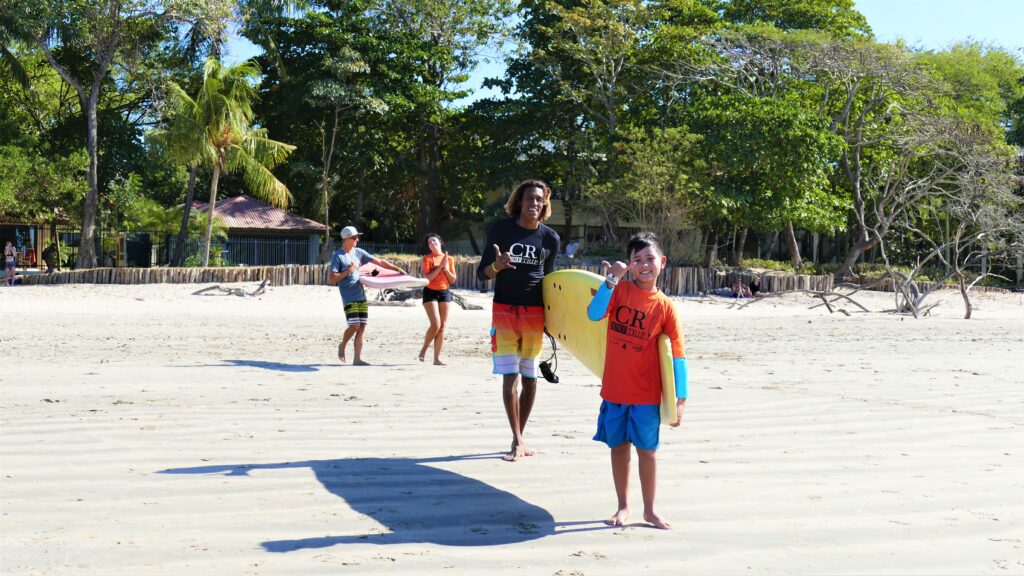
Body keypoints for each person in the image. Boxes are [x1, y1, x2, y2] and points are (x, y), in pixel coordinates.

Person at [586, 231, 688, 530]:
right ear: (629, 264)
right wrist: (610, 280)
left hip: (646, 394)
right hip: (615, 390)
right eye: (637, 260)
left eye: (650, 259)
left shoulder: (665, 306)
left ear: (662, 262)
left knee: (648, 451)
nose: (644, 265)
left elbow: (677, 354)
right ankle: (623, 505)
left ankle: (650, 510)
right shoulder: (618, 291)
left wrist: (680, 398)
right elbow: (593, 314)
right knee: (618, 447)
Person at [476, 179, 560, 462]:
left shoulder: (550, 238)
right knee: (510, 377)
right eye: (529, 198)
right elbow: (482, 274)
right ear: (519, 202)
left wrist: (553, 321)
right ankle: (517, 439)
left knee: (531, 378)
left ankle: (519, 437)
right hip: (505, 312)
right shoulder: (501, 230)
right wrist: (497, 266)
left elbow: (549, 281)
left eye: (539, 199)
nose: (534, 203)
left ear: (544, 204)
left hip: (535, 314)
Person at [327, 225, 405, 366]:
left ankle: (357, 359)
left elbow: (379, 262)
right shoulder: (338, 256)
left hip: (360, 295)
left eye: (357, 237)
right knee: (354, 325)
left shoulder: (359, 252)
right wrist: (348, 271)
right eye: (354, 237)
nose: (357, 239)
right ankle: (342, 344)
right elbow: (331, 279)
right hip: (349, 297)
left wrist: (397, 269)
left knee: (362, 326)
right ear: (346, 239)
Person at [419, 233, 457, 365]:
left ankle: (436, 359)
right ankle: (424, 349)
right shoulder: (427, 259)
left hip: (444, 292)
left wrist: (445, 269)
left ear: (440, 242)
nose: (432, 244)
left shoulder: (449, 259)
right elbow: (428, 278)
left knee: (442, 326)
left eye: (434, 241)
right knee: (435, 324)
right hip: (430, 292)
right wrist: (440, 267)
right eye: (429, 242)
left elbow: (452, 280)